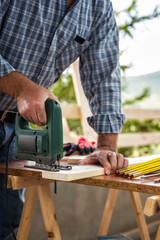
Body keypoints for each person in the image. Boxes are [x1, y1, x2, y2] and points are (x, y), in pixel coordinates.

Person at [0, 0, 128, 239]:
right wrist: (21, 88)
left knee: (5, 227)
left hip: (13, 130)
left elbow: (105, 76)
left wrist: (105, 147)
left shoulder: (98, 7)